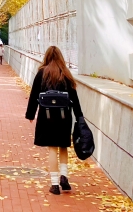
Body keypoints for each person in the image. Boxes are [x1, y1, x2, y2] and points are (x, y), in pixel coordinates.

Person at [25, 46, 83, 195]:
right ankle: (64, 176)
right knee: (63, 146)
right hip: (65, 117)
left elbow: (34, 95)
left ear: (47, 57)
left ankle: (55, 184)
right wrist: (80, 117)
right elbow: (74, 99)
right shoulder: (66, 73)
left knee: (52, 148)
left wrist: (31, 114)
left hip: (47, 116)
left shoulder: (42, 73)